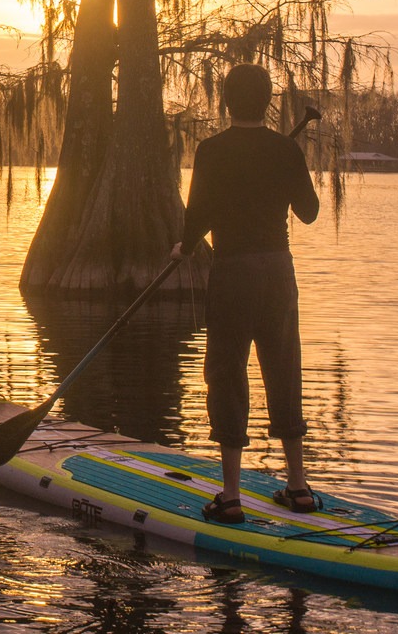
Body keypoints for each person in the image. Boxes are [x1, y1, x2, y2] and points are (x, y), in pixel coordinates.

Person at [170, 63, 320, 524]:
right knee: (283, 367)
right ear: (269, 100)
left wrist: (184, 245)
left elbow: (197, 215)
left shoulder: (212, 151)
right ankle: (297, 488)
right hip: (277, 273)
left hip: (233, 273)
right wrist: (288, 168)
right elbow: (310, 212)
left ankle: (230, 496)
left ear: (225, 101)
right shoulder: (285, 149)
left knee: (226, 372)